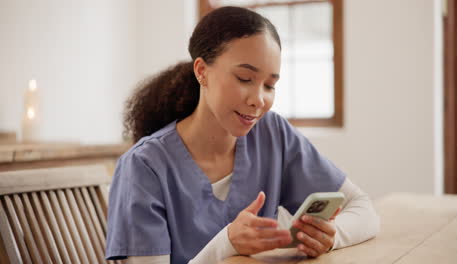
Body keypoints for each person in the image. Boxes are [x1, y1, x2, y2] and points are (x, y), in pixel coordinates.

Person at [106, 6, 380, 264]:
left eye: (270, 85)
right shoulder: (143, 167)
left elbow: (363, 209)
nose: (258, 100)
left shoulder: (273, 134)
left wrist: (330, 237)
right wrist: (226, 243)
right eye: (244, 79)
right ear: (202, 71)